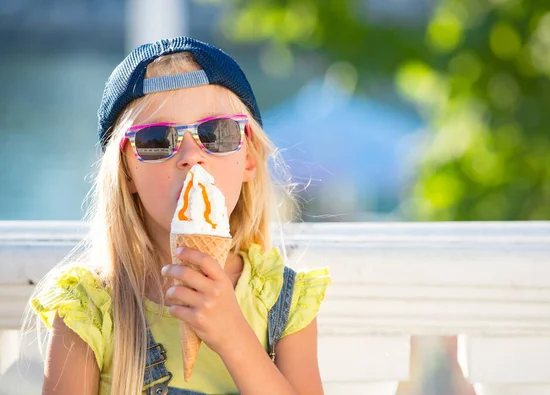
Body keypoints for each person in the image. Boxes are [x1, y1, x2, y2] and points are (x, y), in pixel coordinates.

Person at [25, 37, 331, 395]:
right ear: (125, 172)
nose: (191, 155)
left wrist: (235, 338)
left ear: (248, 159)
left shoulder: (281, 298)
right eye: (156, 139)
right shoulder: (90, 306)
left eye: (216, 133)